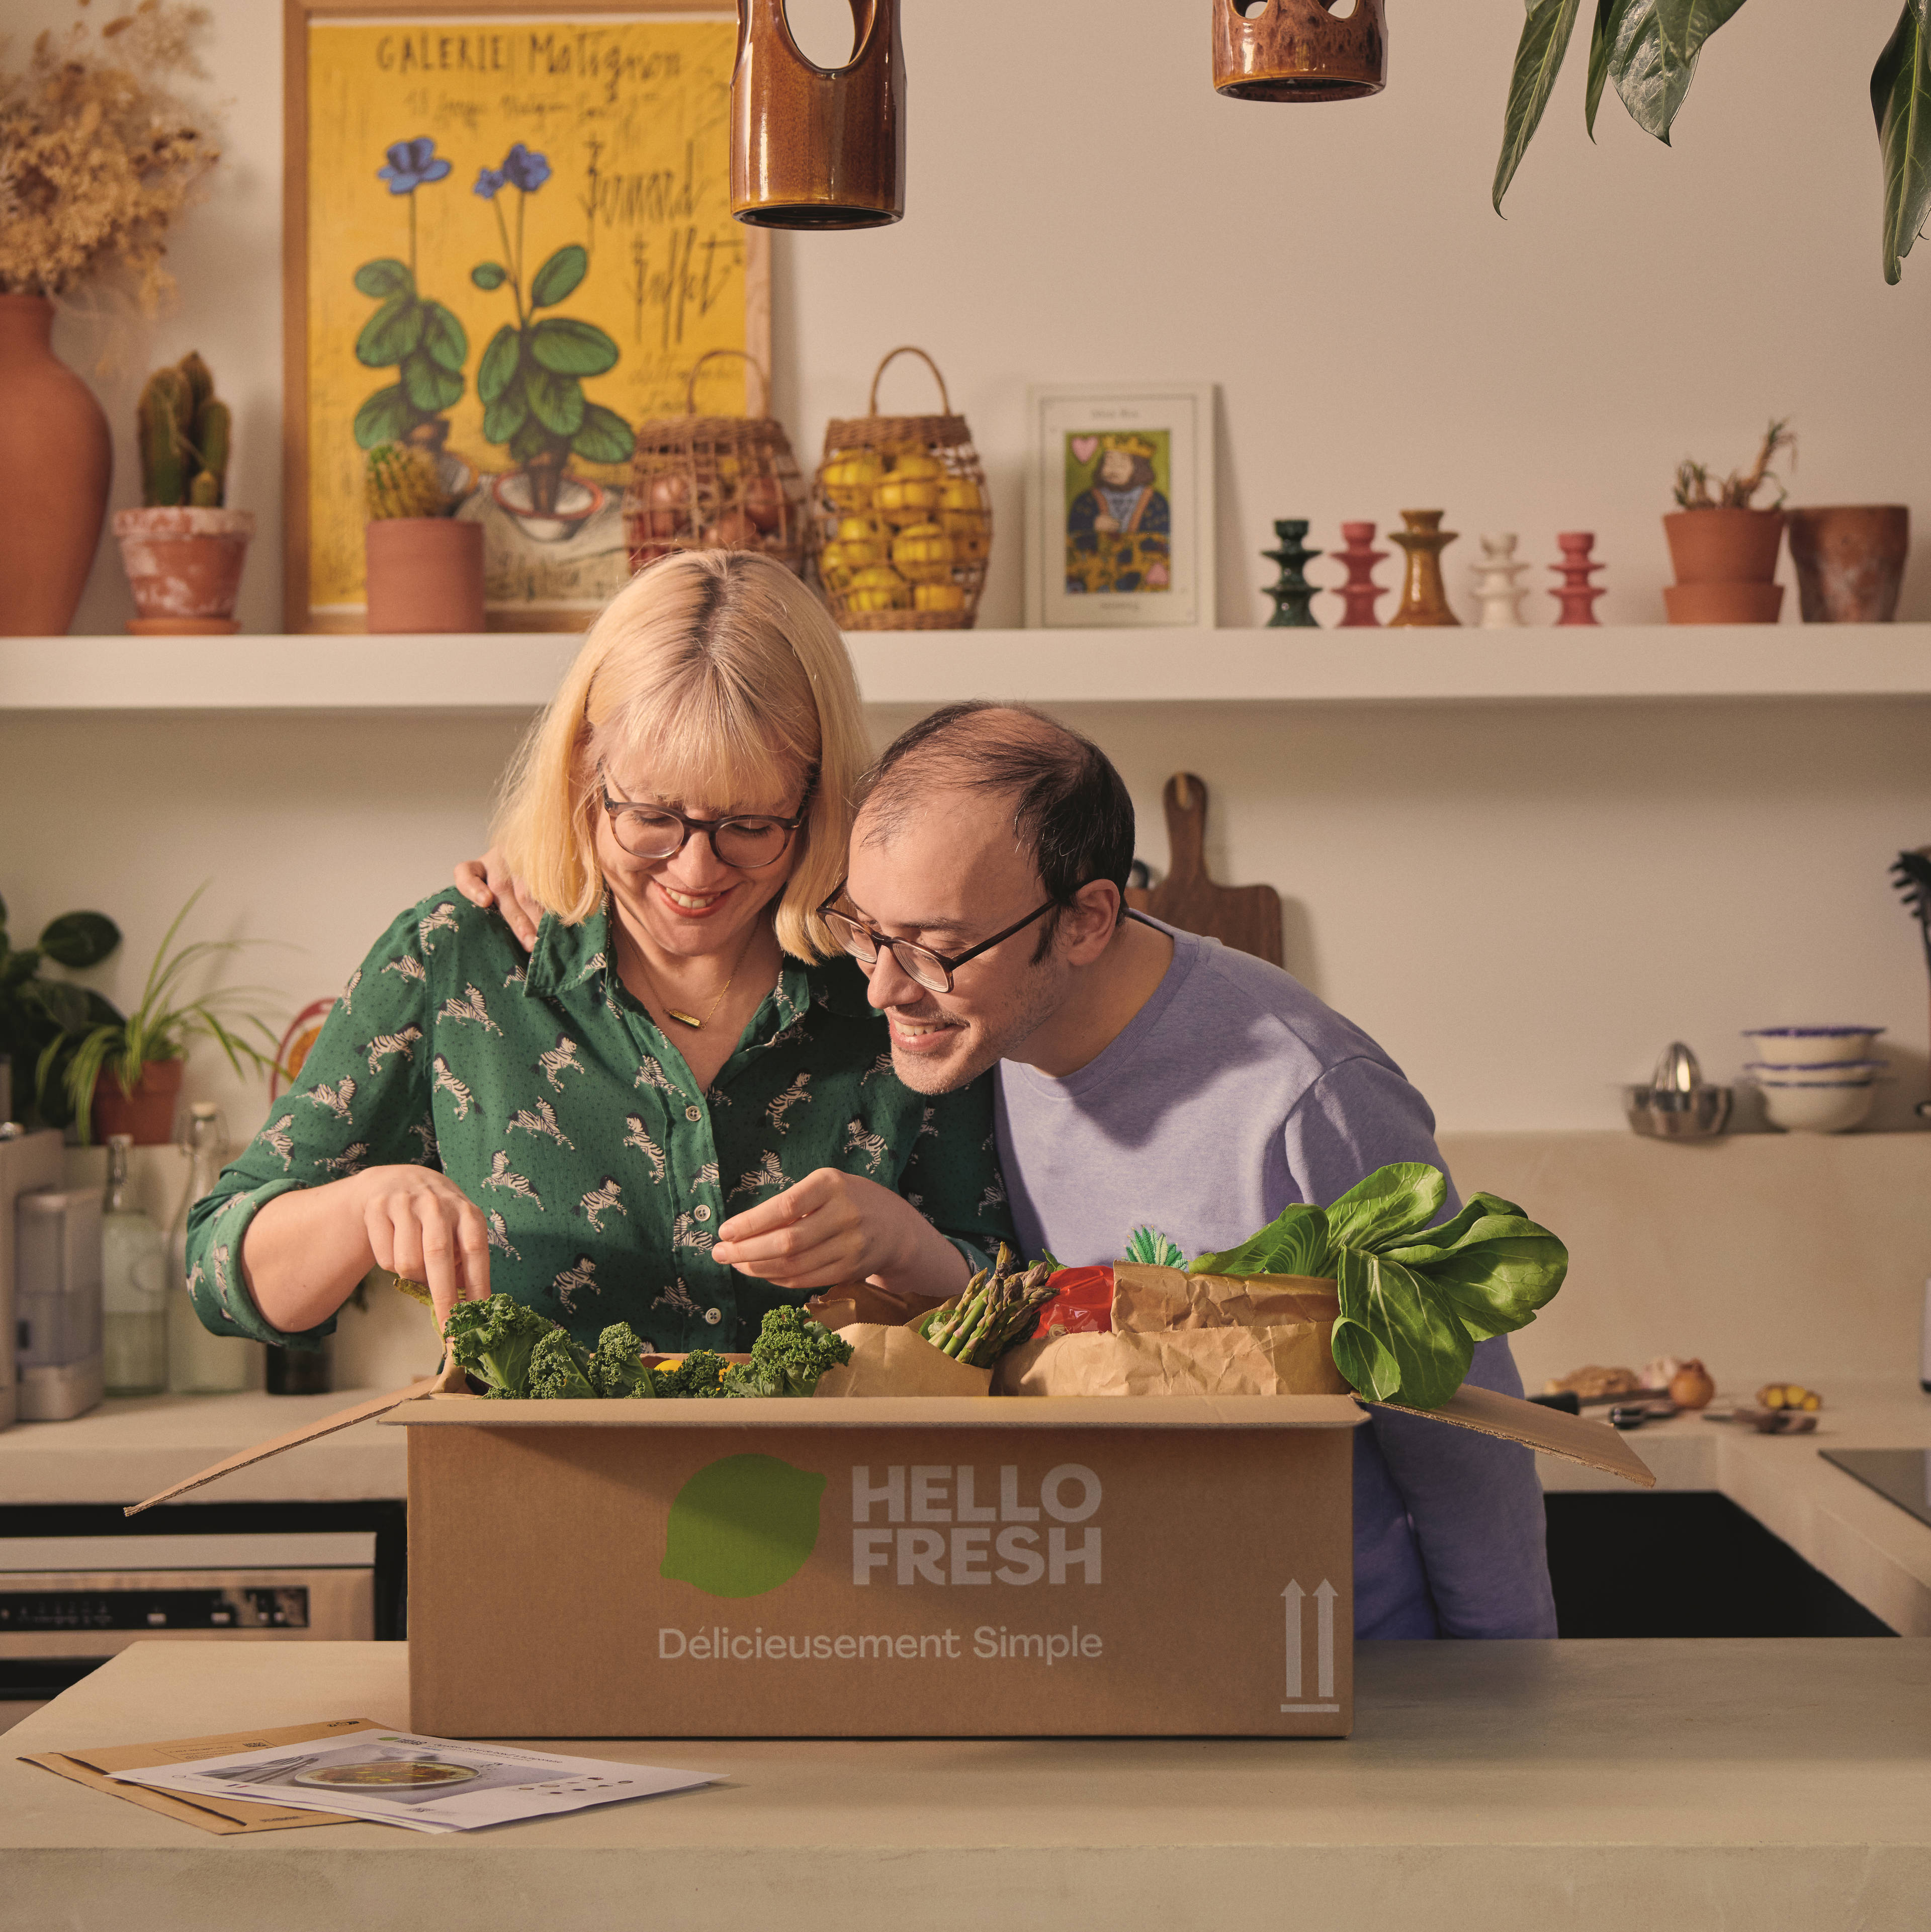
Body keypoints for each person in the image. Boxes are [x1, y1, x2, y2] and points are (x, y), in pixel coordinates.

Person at [822, 701, 1556, 1641]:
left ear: (1087, 919)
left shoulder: (1307, 1093)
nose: (884, 984)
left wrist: (1510, 1698)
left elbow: (1465, 1436)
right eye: (866, 931)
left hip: (1343, 1664)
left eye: (934, 946)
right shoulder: (976, 1036)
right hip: (1123, 1649)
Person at [186, 554, 1013, 1361]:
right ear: (587, 767)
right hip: (544, 1495)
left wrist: (907, 1244)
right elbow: (217, 1271)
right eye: (652, 817)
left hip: (845, 1495)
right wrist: (363, 1204)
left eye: (750, 826)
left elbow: (1030, 1305)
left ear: (816, 794)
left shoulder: (894, 981)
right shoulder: (460, 959)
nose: (695, 872)